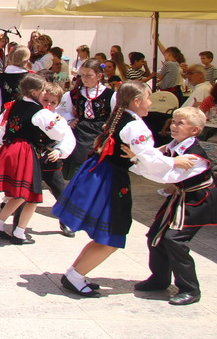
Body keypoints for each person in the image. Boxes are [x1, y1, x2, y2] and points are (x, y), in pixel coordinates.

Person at [53, 81, 200, 298]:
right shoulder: (135, 126)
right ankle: (75, 276)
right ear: (137, 101)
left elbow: (144, 155)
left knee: (107, 234)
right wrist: (174, 163)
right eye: (148, 98)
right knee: (111, 234)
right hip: (109, 180)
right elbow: (148, 159)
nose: (151, 102)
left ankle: (75, 274)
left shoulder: (122, 117)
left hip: (101, 175)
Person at [129, 107, 217, 305]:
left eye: (180, 123)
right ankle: (159, 278)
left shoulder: (194, 155)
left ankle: (190, 289)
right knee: (155, 236)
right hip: (182, 197)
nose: (173, 126)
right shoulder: (174, 146)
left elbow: (166, 175)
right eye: (173, 122)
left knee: (174, 240)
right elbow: (155, 157)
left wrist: (134, 165)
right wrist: (135, 157)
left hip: (198, 200)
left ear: (194, 130)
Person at [0, 74, 75, 244]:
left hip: (15, 150)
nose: (44, 95)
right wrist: (59, 121)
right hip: (26, 153)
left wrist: (60, 150)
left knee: (26, 194)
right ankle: (15, 231)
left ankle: (6, 226)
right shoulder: (39, 112)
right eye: (43, 91)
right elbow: (58, 132)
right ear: (34, 92)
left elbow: (1, 124)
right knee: (29, 193)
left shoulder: (15, 105)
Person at [57, 58, 116, 182]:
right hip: (81, 131)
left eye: (89, 75)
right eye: (82, 75)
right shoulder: (74, 94)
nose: (84, 79)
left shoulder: (110, 95)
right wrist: (69, 120)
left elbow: (116, 113)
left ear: (99, 76)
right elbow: (61, 110)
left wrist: (110, 126)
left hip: (101, 131)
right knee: (79, 162)